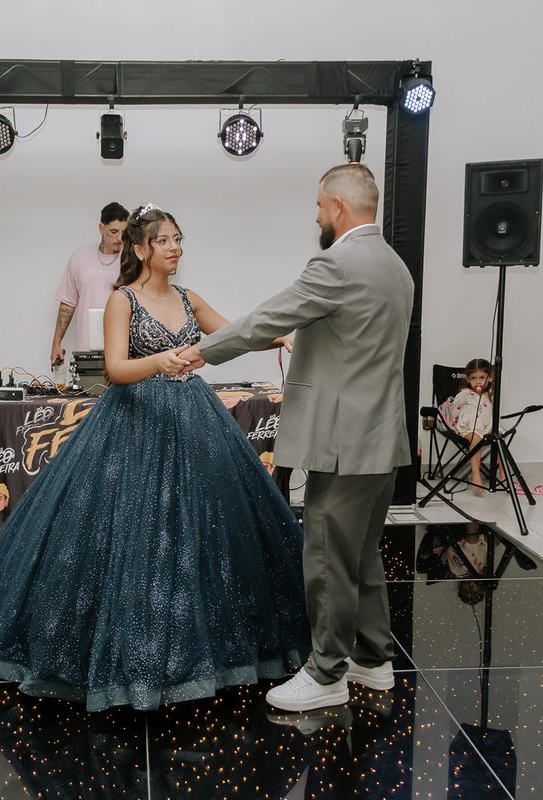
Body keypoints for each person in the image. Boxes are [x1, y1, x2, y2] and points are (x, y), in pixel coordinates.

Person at [0, 204, 306, 712]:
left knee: (202, 526)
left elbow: (232, 334)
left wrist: (281, 335)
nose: (175, 248)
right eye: (164, 240)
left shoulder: (189, 298)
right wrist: (159, 362)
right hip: (134, 419)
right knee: (133, 527)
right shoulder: (122, 300)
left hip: (192, 416)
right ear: (142, 249)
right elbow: (116, 370)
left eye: (178, 239)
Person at [177, 164, 414, 713]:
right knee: (362, 556)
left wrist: (200, 351)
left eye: (319, 206)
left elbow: (269, 318)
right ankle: (374, 660)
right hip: (382, 438)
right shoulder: (395, 265)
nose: (317, 216)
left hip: (343, 441)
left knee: (327, 558)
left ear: (338, 206)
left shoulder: (337, 264)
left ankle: (327, 673)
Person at [50, 202, 129, 366]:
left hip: (123, 351)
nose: (120, 238)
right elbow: (68, 302)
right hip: (85, 350)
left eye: (124, 232)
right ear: (101, 228)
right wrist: (56, 343)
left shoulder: (131, 259)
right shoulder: (80, 256)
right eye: (114, 232)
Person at [443, 358, 507, 494]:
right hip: (469, 428)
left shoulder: (492, 393)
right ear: (468, 379)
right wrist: (454, 427)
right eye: (474, 378)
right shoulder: (464, 394)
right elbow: (454, 412)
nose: (478, 382)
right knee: (476, 439)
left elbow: (494, 412)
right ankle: (476, 475)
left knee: (499, 437)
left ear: (490, 377)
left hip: (487, 426)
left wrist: (495, 426)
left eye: (482, 378)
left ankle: (503, 472)